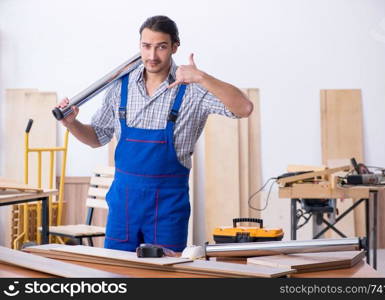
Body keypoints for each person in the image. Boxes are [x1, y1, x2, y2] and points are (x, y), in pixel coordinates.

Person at [57, 15, 253, 252]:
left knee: (163, 276)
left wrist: (201, 77)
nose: (152, 56)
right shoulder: (120, 87)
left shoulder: (193, 90)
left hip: (168, 207)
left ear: (174, 47)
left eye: (160, 47)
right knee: (116, 274)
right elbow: (97, 138)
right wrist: (71, 123)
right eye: (146, 46)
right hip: (123, 205)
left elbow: (244, 108)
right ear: (139, 45)